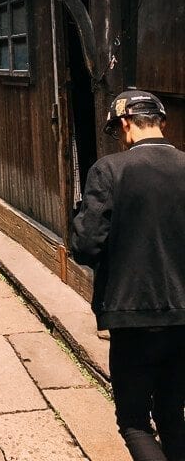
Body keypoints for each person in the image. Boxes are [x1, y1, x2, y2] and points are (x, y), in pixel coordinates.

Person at [72, 90, 185, 461]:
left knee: (134, 420)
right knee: (173, 416)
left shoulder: (110, 170)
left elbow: (86, 245)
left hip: (131, 313)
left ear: (124, 125)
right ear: (162, 123)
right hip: (183, 315)